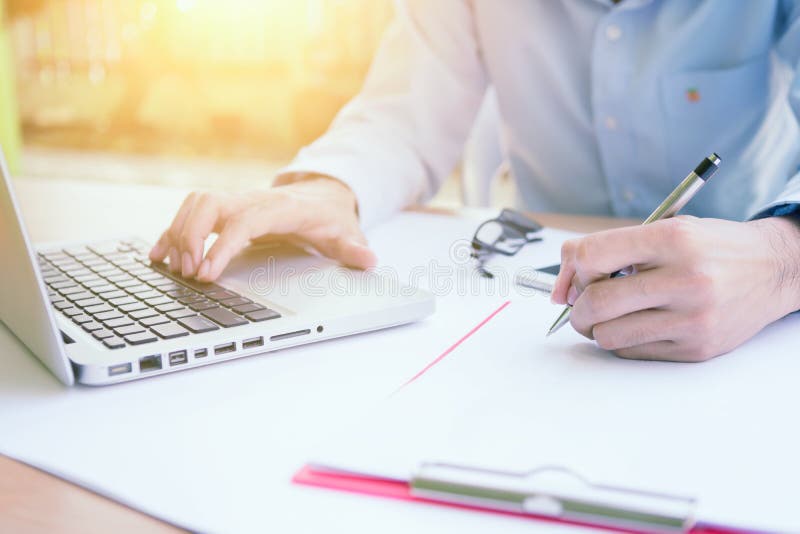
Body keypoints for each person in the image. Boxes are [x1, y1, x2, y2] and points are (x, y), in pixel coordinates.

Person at [151, 1, 800, 362]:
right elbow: (404, 116)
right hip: (540, 284)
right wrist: (325, 189)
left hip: (755, 296)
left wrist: (781, 261)